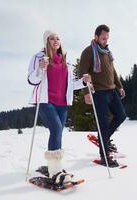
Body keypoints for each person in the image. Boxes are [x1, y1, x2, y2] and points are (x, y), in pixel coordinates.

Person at [27, 30, 91, 185]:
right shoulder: (38, 57)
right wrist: (40, 68)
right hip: (45, 100)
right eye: (51, 38)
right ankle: (55, 171)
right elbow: (32, 79)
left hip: (62, 103)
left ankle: (54, 166)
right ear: (46, 41)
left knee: (57, 132)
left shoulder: (65, 62)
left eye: (58, 38)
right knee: (56, 128)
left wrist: (83, 81)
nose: (55, 41)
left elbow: (70, 85)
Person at [79, 24, 126, 167]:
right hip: (98, 92)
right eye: (103, 38)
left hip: (112, 90)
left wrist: (119, 86)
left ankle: (103, 140)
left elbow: (113, 71)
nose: (106, 41)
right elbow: (82, 73)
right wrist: (86, 92)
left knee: (121, 115)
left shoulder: (107, 52)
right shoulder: (88, 52)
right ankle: (105, 157)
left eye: (107, 38)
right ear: (96, 37)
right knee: (103, 124)